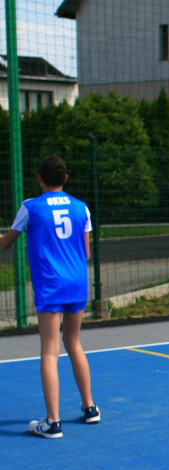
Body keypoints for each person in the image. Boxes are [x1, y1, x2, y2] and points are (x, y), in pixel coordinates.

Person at [0, 155, 100, 438]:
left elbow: (7, 243)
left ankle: (53, 422)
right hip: (77, 281)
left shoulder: (31, 207)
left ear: (38, 178)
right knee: (75, 343)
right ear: (65, 178)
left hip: (51, 284)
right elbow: (87, 253)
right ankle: (90, 407)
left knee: (49, 350)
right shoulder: (82, 207)